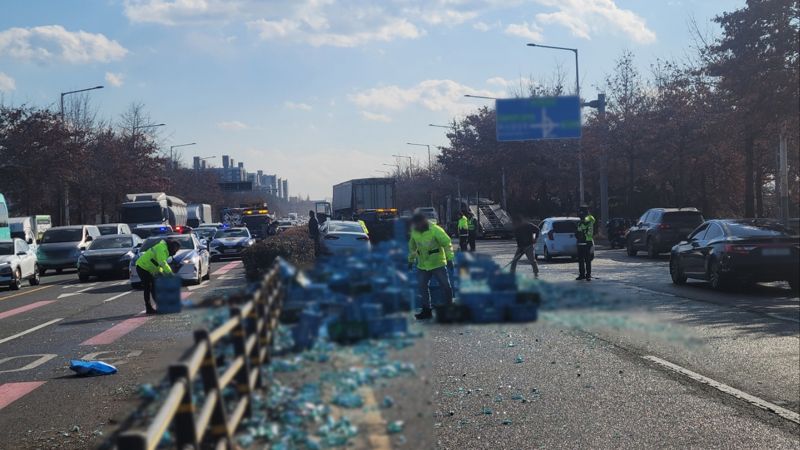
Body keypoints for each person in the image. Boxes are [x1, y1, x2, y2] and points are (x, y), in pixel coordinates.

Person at [408, 213, 454, 320]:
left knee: (445, 286)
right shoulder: (415, 232)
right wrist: (410, 261)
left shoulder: (435, 230)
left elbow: (447, 243)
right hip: (423, 265)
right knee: (422, 286)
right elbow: (412, 248)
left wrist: (450, 258)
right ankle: (426, 310)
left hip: (437, 263)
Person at [135, 239, 180, 314]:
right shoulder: (161, 248)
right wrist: (170, 273)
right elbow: (162, 262)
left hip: (148, 269)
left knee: (154, 287)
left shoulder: (165, 250)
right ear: (172, 246)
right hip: (142, 267)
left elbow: (157, 264)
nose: (175, 251)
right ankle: (149, 308)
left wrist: (163, 273)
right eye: (176, 249)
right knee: (149, 287)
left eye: (177, 250)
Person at [575, 205, 596, 281]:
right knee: (580, 260)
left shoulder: (589, 219)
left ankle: (588, 275)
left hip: (587, 241)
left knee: (587, 260)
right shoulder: (580, 222)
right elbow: (578, 230)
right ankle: (582, 274)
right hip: (580, 242)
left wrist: (584, 216)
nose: (579, 214)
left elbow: (588, 220)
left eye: (581, 212)